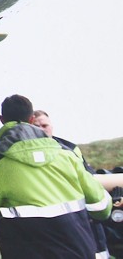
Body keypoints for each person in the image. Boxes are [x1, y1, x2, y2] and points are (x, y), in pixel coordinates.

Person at [0, 94, 112, 259]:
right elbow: (101, 206)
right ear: (31, 119)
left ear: (1, 119)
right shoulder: (66, 153)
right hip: (79, 250)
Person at [32, 109, 110, 258]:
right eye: (37, 126)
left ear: (51, 126)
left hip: (83, 217)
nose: (42, 129)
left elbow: (89, 178)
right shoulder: (25, 154)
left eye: (44, 125)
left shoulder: (70, 148)